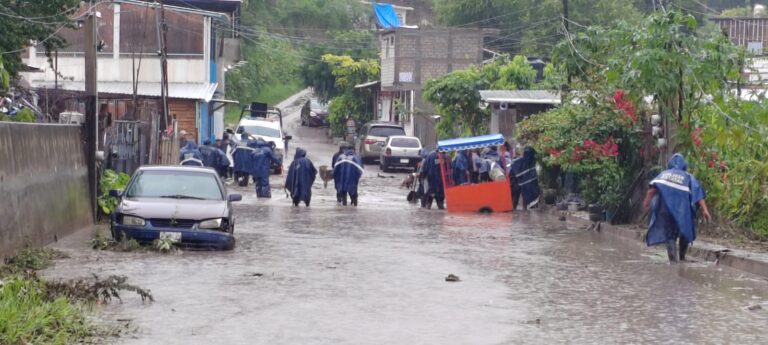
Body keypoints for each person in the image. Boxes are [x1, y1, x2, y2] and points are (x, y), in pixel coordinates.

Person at [643, 153, 711, 263]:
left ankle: (673, 262)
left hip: (666, 211)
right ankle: (682, 258)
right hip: (682, 212)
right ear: (684, 165)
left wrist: (646, 204)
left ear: (669, 165)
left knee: (669, 236)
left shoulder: (663, 175)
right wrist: (705, 210)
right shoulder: (688, 177)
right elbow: (697, 194)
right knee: (685, 231)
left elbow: (651, 191)